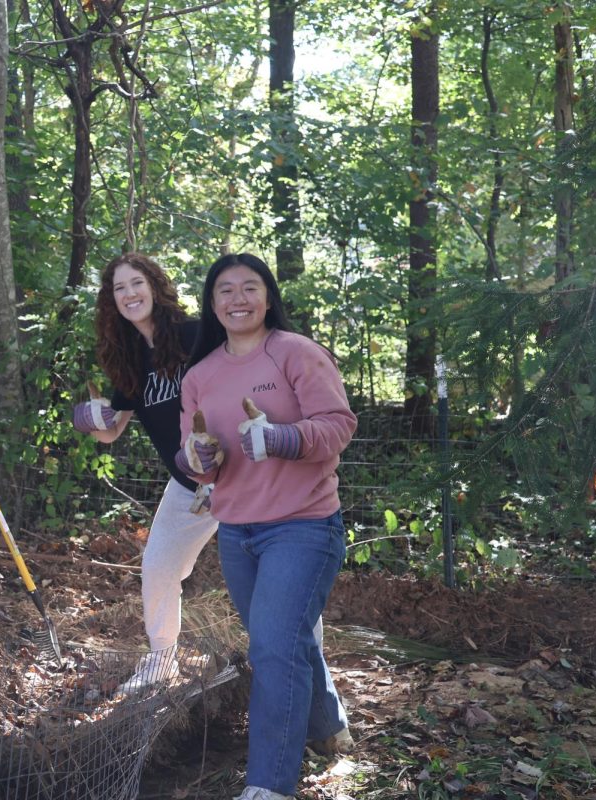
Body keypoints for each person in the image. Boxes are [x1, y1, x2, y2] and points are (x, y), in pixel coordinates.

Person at [176, 253, 355, 800]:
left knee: (274, 649)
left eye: (249, 288)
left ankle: (269, 785)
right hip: (237, 532)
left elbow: (338, 424)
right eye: (225, 291)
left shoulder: (296, 353)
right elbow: (193, 460)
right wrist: (198, 455)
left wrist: (281, 437)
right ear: (212, 304)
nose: (238, 299)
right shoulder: (201, 375)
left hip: (303, 525)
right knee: (282, 640)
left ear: (268, 296)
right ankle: (329, 731)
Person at [69, 252, 218, 694]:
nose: (130, 294)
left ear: (155, 285)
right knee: (158, 567)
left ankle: (303, 659)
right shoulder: (130, 358)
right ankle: (161, 662)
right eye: (119, 288)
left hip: (239, 474)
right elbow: (112, 432)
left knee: (266, 569)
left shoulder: (196, 335)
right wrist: (90, 419)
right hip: (189, 485)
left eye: (137, 283)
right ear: (111, 300)